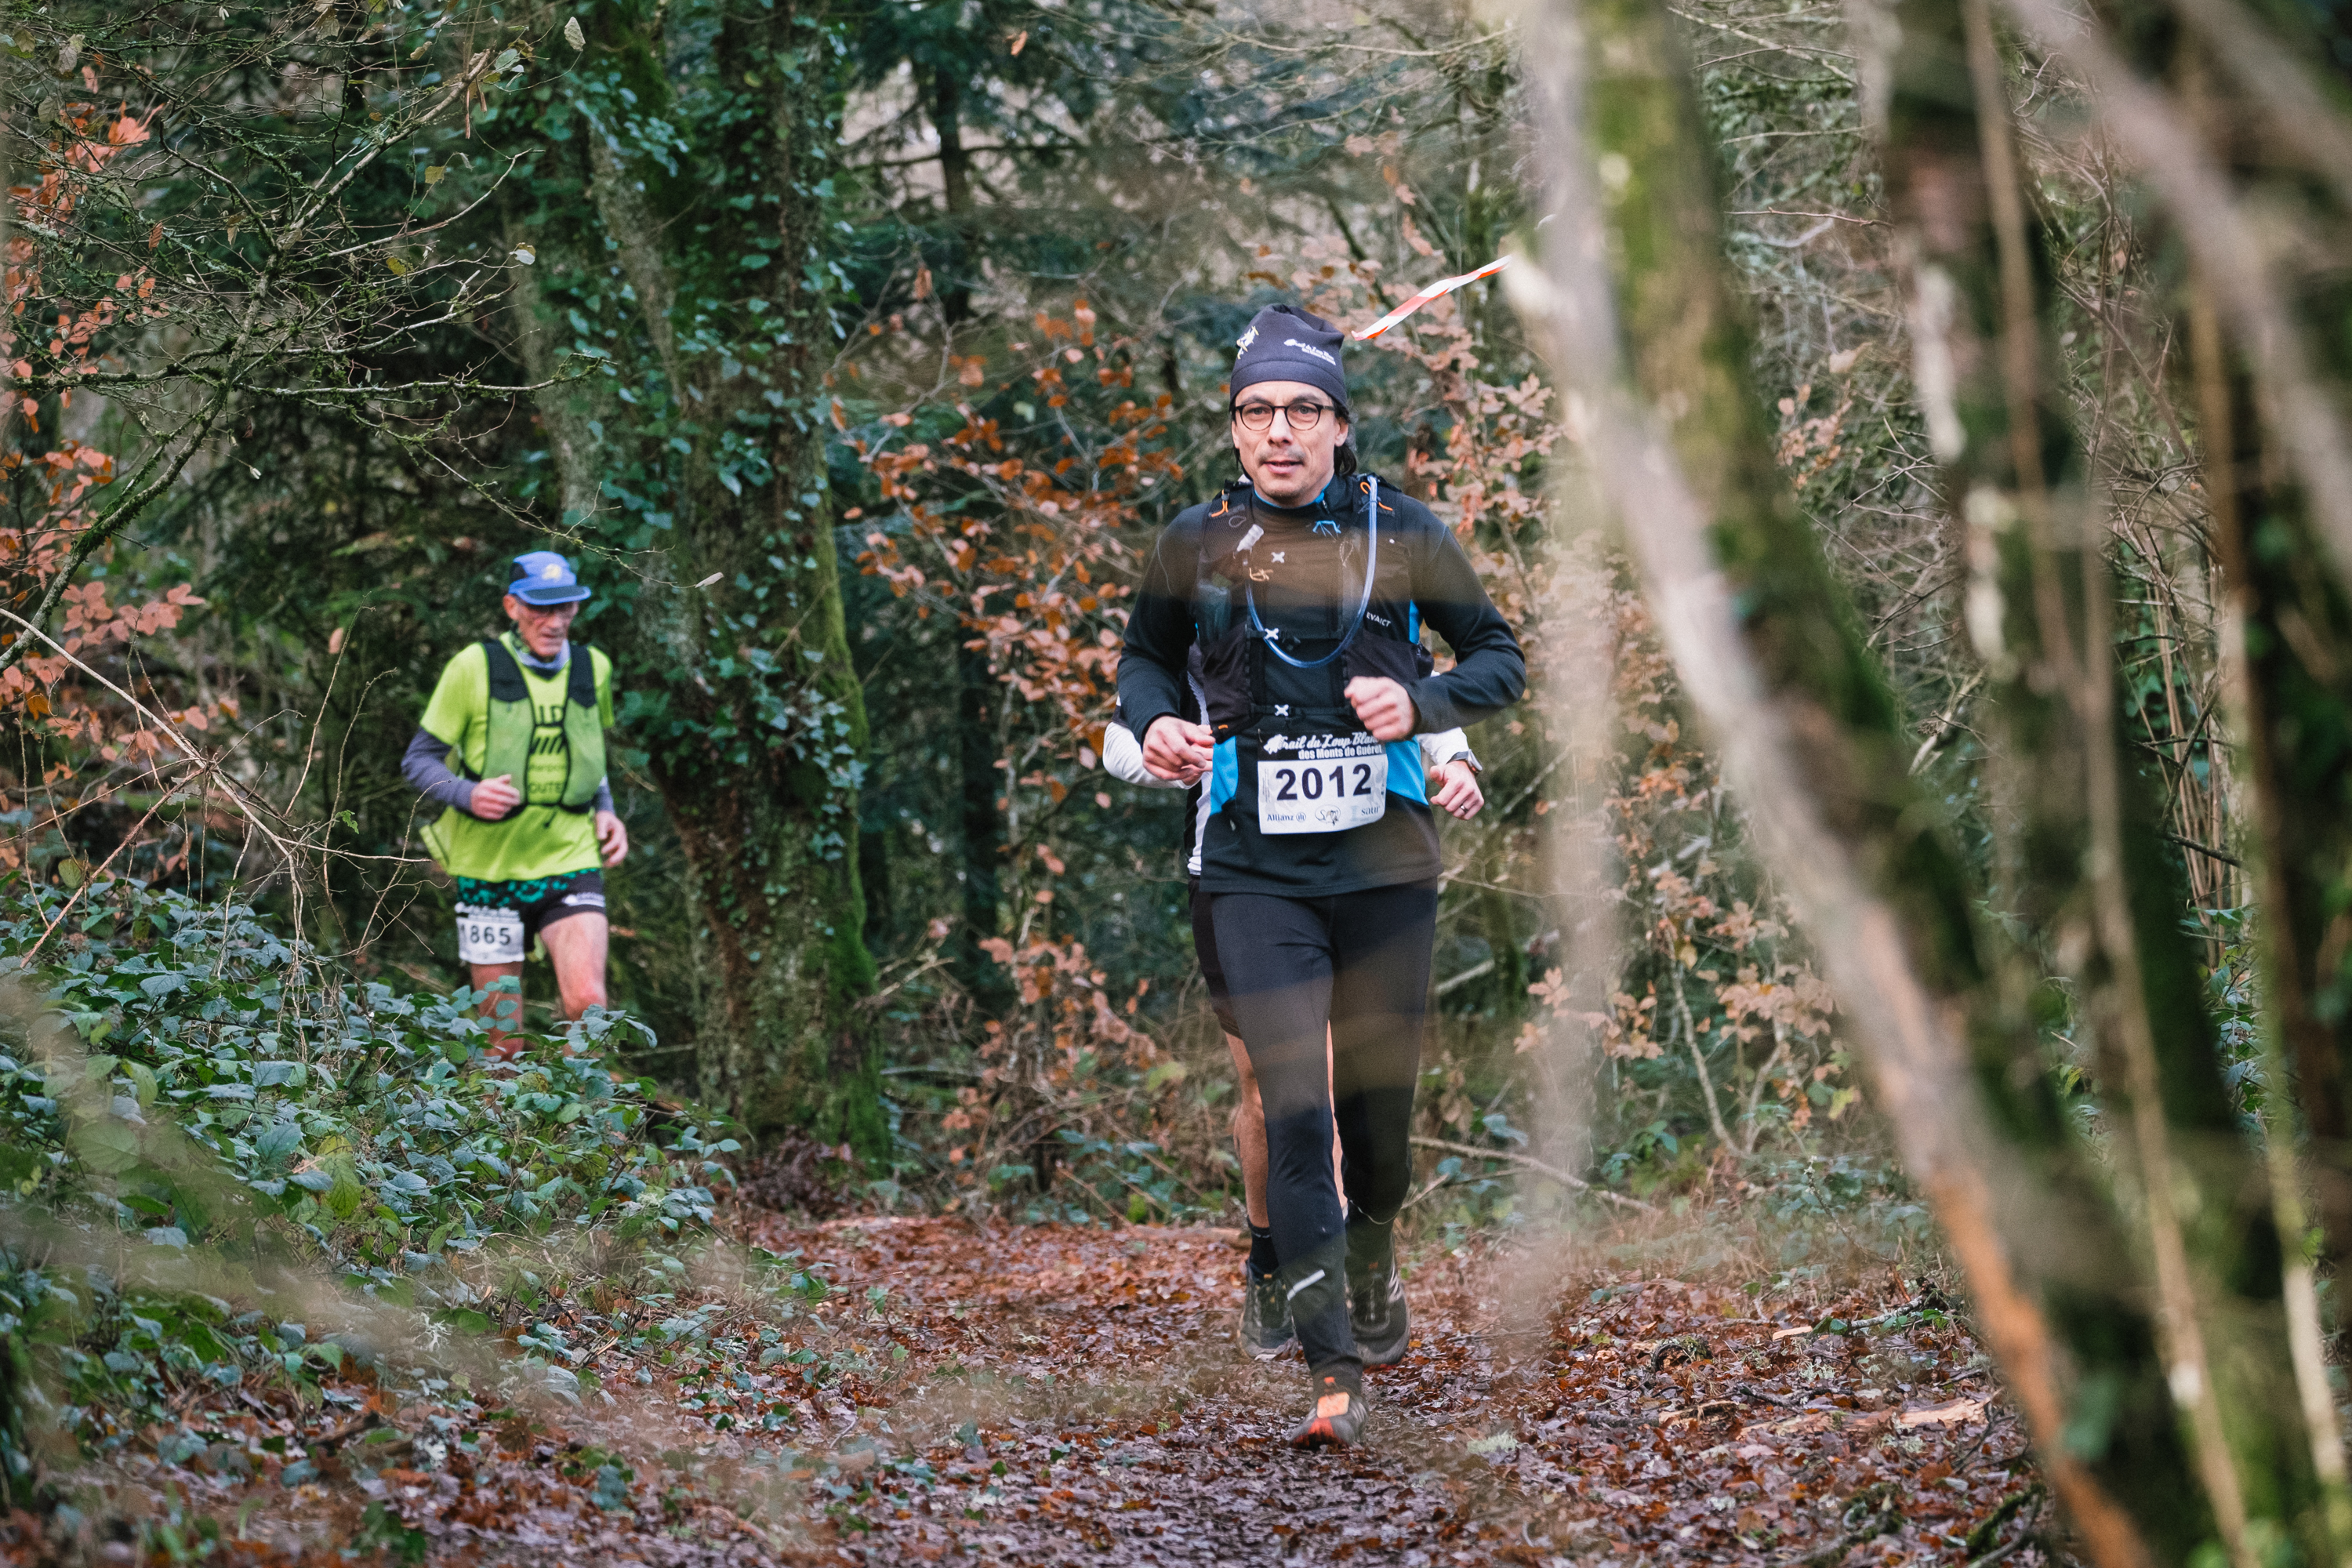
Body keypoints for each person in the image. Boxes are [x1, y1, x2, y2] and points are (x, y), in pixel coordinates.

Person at [1116, 303, 1525, 1448]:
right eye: (1257, 411)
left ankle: (1375, 1243)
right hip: (1252, 870)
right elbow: (1143, 663)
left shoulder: (1404, 531)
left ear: (1342, 426)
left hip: (1385, 869)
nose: (1280, 431)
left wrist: (1423, 702)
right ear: (1233, 429)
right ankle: (1332, 1370)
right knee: (1294, 1111)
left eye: (1304, 410)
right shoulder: (1195, 542)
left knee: (1376, 1126)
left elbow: (1499, 657)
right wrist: (1153, 726)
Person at [1103, 656, 1486, 1360]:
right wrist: (1172, 756)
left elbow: (1415, 689)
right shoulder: (1205, 626)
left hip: (1365, 878)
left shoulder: (1356, 606)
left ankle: (1357, 1263)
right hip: (1241, 879)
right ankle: (1270, 1260)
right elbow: (1118, 740)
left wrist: (1457, 758)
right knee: (1271, 1090)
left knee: (1344, 1091)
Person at [401, 551, 629, 1053]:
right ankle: (510, 1105)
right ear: (512, 607)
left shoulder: (594, 668)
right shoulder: (473, 667)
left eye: (565, 607)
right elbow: (419, 760)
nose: (555, 621)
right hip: (489, 871)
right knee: (502, 1042)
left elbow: (588, 754)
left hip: (570, 858)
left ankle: (579, 1103)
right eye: (541, 608)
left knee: (589, 1006)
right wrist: (467, 793)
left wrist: (606, 809)